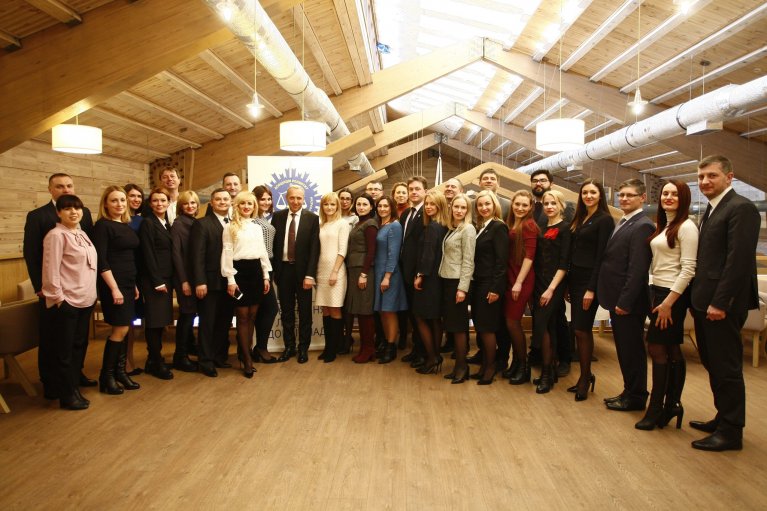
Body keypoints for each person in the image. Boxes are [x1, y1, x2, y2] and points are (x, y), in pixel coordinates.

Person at [689, 155, 760, 452]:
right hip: (704, 302)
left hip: (722, 305)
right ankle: (723, 417)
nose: (705, 181)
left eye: (712, 175)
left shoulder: (741, 208)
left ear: (729, 177)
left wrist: (721, 303)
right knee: (713, 363)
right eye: (701, 176)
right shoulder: (712, 208)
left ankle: (731, 431)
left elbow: (738, 261)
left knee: (726, 367)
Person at [24, 173, 96, 398]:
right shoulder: (39, 217)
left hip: (81, 291)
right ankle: (51, 383)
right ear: (50, 189)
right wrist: (43, 287)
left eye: (69, 185)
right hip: (55, 291)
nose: (65, 189)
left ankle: (74, 376)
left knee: (76, 340)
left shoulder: (83, 215)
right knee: (52, 340)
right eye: (60, 186)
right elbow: (33, 254)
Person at [635, 180, 697, 430]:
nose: (668, 197)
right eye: (665, 193)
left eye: (674, 194)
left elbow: (689, 268)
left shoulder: (687, 227)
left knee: (656, 348)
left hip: (672, 295)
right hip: (659, 291)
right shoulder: (666, 225)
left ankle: (656, 408)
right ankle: (672, 404)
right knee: (670, 349)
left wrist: (668, 303)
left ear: (684, 198)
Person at [598, 179, 655, 412]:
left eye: (630, 195)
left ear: (642, 198)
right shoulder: (624, 222)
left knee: (632, 351)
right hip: (617, 298)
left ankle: (636, 396)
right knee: (624, 349)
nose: (624, 199)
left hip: (628, 302)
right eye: (621, 195)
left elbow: (637, 269)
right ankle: (629, 391)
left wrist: (625, 301)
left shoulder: (643, 225)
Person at [41, 194, 97, 410]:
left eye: (77, 208)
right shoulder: (56, 235)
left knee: (78, 346)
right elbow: (50, 271)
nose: (73, 212)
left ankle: (73, 387)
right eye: (67, 208)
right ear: (58, 212)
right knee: (64, 350)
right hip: (67, 301)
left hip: (86, 299)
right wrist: (59, 299)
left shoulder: (81, 233)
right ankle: (66, 394)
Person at [567, 179, 614, 401]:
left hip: (588, 282)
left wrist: (591, 289)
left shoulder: (604, 220)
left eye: (593, 192)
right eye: (585, 192)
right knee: (577, 328)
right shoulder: (580, 217)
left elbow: (601, 257)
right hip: (575, 280)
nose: (588, 196)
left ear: (600, 195)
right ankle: (584, 375)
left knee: (582, 329)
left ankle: (585, 377)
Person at [92, 186, 141, 394]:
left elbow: (127, 257)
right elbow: (101, 260)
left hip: (128, 283)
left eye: (122, 200)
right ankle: (106, 376)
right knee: (119, 329)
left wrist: (134, 284)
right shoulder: (102, 226)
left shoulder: (125, 225)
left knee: (126, 327)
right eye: (114, 200)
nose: (119, 204)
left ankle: (120, 373)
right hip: (114, 284)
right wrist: (114, 288)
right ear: (105, 203)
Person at [221, 191, 272, 378]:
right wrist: (230, 280)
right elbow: (227, 254)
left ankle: (245, 353)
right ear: (237, 206)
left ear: (254, 206)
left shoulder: (257, 227)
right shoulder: (230, 227)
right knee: (242, 317)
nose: (246, 207)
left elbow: (262, 253)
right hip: (239, 273)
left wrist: (266, 276)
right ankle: (247, 360)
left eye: (250, 204)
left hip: (256, 272)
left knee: (252, 316)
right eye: (243, 203)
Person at [529, 169, 574, 376]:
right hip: (539, 280)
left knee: (551, 322)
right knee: (548, 323)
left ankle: (559, 361)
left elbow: (564, 263)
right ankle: (548, 361)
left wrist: (552, 288)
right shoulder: (542, 224)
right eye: (547, 203)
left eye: (553, 203)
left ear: (561, 205)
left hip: (553, 283)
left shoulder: (565, 228)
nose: (549, 206)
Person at [271, 185, 320, 364]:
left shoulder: (312, 219)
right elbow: (273, 246)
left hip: (303, 273)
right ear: (286, 198)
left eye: (299, 198)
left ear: (304, 199)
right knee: (287, 313)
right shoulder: (277, 217)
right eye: (292, 198)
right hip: (283, 271)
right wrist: (274, 272)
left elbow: (314, 249)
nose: (296, 201)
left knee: (305, 313)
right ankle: (289, 347)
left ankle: (303, 348)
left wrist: (310, 275)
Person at [191, 189, 234, 378]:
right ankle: (205, 360)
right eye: (218, 199)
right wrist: (200, 281)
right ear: (211, 203)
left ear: (230, 202)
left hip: (229, 282)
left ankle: (218, 356)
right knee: (207, 322)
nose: (222, 202)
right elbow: (197, 255)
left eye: (225, 199)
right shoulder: (202, 224)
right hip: (209, 282)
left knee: (224, 321)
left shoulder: (234, 223)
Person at [470, 190, 509, 385]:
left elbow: (502, 262)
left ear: (495, 205)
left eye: (487, 204)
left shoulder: (498, 227)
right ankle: (485, 364)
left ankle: (491, 367)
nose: (484, 207)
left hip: (489, 284)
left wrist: (495, 289)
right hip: (478, 282)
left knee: (487, 328)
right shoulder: (481, 227)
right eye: (480, 205)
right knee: (480, 326)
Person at [138, 187, 175, 380]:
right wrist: (157, 281)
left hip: (165, 277)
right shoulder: (148, 223)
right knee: (154, 321)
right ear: (150, 204)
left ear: (168, 203)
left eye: (163, 200)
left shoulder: (165, 223)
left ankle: (153, 359)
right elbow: (148, 253)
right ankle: (155, 360)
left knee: (161, 321)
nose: (159, 204)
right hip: (155, 280)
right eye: (155, 200)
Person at [439, 193, 475, 383]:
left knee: (459, 327)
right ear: (451, 208)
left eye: (463, 208)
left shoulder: (468, 229)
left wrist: (462, 288)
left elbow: (469, 261)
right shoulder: (453, 228)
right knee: (453, 326)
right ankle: (458, 367)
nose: (459, 210)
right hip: (447, 280)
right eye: (456, 207)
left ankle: (462, 367)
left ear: (467, 210)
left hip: (457, 283)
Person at [413, 190, 449, 374]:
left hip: (429, 280)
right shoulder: (443, 225)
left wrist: (420, 275)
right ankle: (435, 356)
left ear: (440, 205)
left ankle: (432, 357)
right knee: (435, 319)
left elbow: (428, 254)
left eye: (432, 204)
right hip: (438, 279)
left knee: (420, 317)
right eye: (426, 203)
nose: (428, 207)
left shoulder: (433, 227)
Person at [504, 190, 538, 385]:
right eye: (517, 204)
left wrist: (518, 282)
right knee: (510, 322)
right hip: (510, 275)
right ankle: (516, 363)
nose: (520, 208)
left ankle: (524, 367)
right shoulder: (512, 222)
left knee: (513, 322)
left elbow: (529, 257)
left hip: (521, 279)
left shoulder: (529, 225)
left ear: (531, 207)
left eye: (525, 205)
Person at [315, 192, 351, 363]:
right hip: (321, 271)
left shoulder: (342, 224)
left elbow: (342, 250)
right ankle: (328, 346)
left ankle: (334, 349)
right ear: (322, 206)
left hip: (336, 270)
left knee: (335, 309)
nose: (329, 207)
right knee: (326, 309)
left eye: (332, 204)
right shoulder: (321, 225)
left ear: (337, 206)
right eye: (326, 204)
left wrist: (335, 271)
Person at [345, 194, 380, 363]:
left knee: (365, 312)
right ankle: (365, 348)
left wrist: (364, 274)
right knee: (360, 311)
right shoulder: (358, 222)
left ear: (371, 207)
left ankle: (369, 349)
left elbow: (371, 251)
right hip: (354, 269)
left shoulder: (370, 224)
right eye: (358, 204)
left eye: (365, 204)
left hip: (363, 271)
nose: (361, 207)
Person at [373, 196, 408, 360]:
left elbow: (393, 254)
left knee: (389, 311)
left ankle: (391, 347)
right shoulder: (381, 225)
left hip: (389, 274)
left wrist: (387, 277)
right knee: (382, 311)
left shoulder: (395, 225)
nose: (382, 209)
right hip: (378, 272)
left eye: (386, 206)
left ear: (391, 208)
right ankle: (387, 342)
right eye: (380, 206)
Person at [170, 190, 200, 373]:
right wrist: (184, 281)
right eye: (186, 203)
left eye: (193, 203)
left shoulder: (195, 222)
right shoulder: (178, 224)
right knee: (187, 315)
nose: (190, 206)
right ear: (181, 206)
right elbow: (176, 255)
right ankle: (179, 356)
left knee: (191, 314)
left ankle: (190, 347)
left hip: (195, 277)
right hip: (185, 278)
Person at [399, 176, 427, 366]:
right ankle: (416, 349)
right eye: (411, 189)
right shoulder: (407, 213)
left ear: (425, 191)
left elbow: (427, 246)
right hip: (405, 271)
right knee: (412, 314)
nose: (414, 192)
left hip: (419, 274)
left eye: (417, 189)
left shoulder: (427, 212)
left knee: (420, 315)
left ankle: (424, 353)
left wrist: (420, 273)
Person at [251, 185, 279, 364]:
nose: (267, 202)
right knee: (270, 308)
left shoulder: (263, 218)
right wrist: (264, 272)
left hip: (269, 267)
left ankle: (259, 348)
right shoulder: (252, 221)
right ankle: (260, 348)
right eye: (262, 199)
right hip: (259, 268)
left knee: (262, 310)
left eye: (269, 199)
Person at [123, 183, 146, 374]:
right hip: (124, 275)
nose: (136, 199)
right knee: (124, 322)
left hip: (139, 275)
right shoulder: (117, 221)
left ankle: (129, 359)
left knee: (132, 321)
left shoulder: (141, 220)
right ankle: (123, 363)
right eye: (132, 196)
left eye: (139, 196)